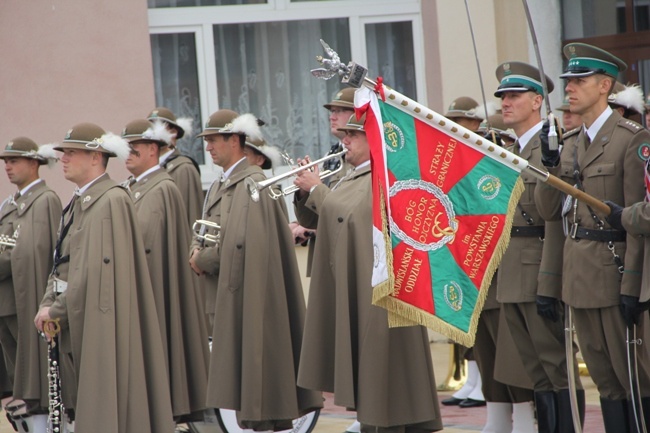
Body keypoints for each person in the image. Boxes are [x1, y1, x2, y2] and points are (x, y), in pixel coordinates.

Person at [297, 113, 443, 433]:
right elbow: (322, 219)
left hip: (381, 292)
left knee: (386, 377)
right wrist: (307, 191)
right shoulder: (351, 174)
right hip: (362, 284)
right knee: (373, 380)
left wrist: (318, 190)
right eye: (344, 134)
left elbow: (355, 216)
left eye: (354, 135)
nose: (344, 140)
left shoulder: (382, 175)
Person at [535, 43, 650, 432]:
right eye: (568, 81)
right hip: (578, 276)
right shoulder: (568, 144)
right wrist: (549, 167)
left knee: (631, 377)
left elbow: (636, 221)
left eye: (579, 81)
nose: (569, 89)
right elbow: (550, 212)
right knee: (603, 379)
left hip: (614, 272)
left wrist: (633, 286)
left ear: (604, 86)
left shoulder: (630, 138)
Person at [33, 122, 174, 432]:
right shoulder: (78, 203)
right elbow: (62, 264)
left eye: (72, 152)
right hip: (75, 321)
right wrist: (48, 303)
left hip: (99, 325)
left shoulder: (111, 200)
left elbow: (93, 273)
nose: (64, 159)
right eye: (64, 153)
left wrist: (54, 310)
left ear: (96, 157)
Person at [189, 109, 322, 431]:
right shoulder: (225, 184)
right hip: (227, 296)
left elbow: (244, 245)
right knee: (248, 398)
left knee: (260, 395)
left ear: (234, 140)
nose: (207, 147)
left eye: (213, 140)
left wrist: (201, 259)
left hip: (248, 301)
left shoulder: (253, 183)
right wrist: (196, 250)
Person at [493, 61, 584, 433]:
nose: (505, 103)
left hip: (538, 269)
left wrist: (549, 281)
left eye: (514, 96)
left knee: (557, 367)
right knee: (536, 373)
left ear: (536, 102)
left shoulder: (551, 149)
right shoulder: (511, 150)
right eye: (502, 96)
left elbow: (553, 220)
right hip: (513, 272)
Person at [122, 119, 209, 424]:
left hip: (154, 290)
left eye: (134, 145)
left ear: (152, 149)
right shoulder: (130, 188)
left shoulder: (162, 188)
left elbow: (149, 247)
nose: (127, 151)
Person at [0, 138, 61, 432]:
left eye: (14, 161)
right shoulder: (10, 203)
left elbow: (35, 251)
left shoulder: (45, 199)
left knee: (36, 377)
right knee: (16, 379)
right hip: (6, 301)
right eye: (5, 162)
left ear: (34, 163)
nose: (8, 167)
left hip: (28, 300)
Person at [440, 95, 488, 409]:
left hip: (479, 240)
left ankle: (483, 383)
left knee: (483, 318)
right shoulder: (453, 151)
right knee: (464, 312)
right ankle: (472, 380)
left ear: (475, 123)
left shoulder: (482, 149)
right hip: (457, 237)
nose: (454, 127)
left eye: (460, 121)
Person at [292, 87, 355, 275]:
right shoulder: (332, 154)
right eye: (331, 112)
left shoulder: (367, 156)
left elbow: (348, 212)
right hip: (326, 253)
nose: (332, 117)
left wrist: (316, 187)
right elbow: (311, 220)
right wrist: (304, 192)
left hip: (348, 254)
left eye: (339, 111)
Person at [147, 107, 204, 227]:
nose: (155, 132)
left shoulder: (183, 168)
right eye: (151, 127)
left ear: (174, 132)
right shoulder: (150, 169)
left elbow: (192, 215)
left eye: (160, 126)